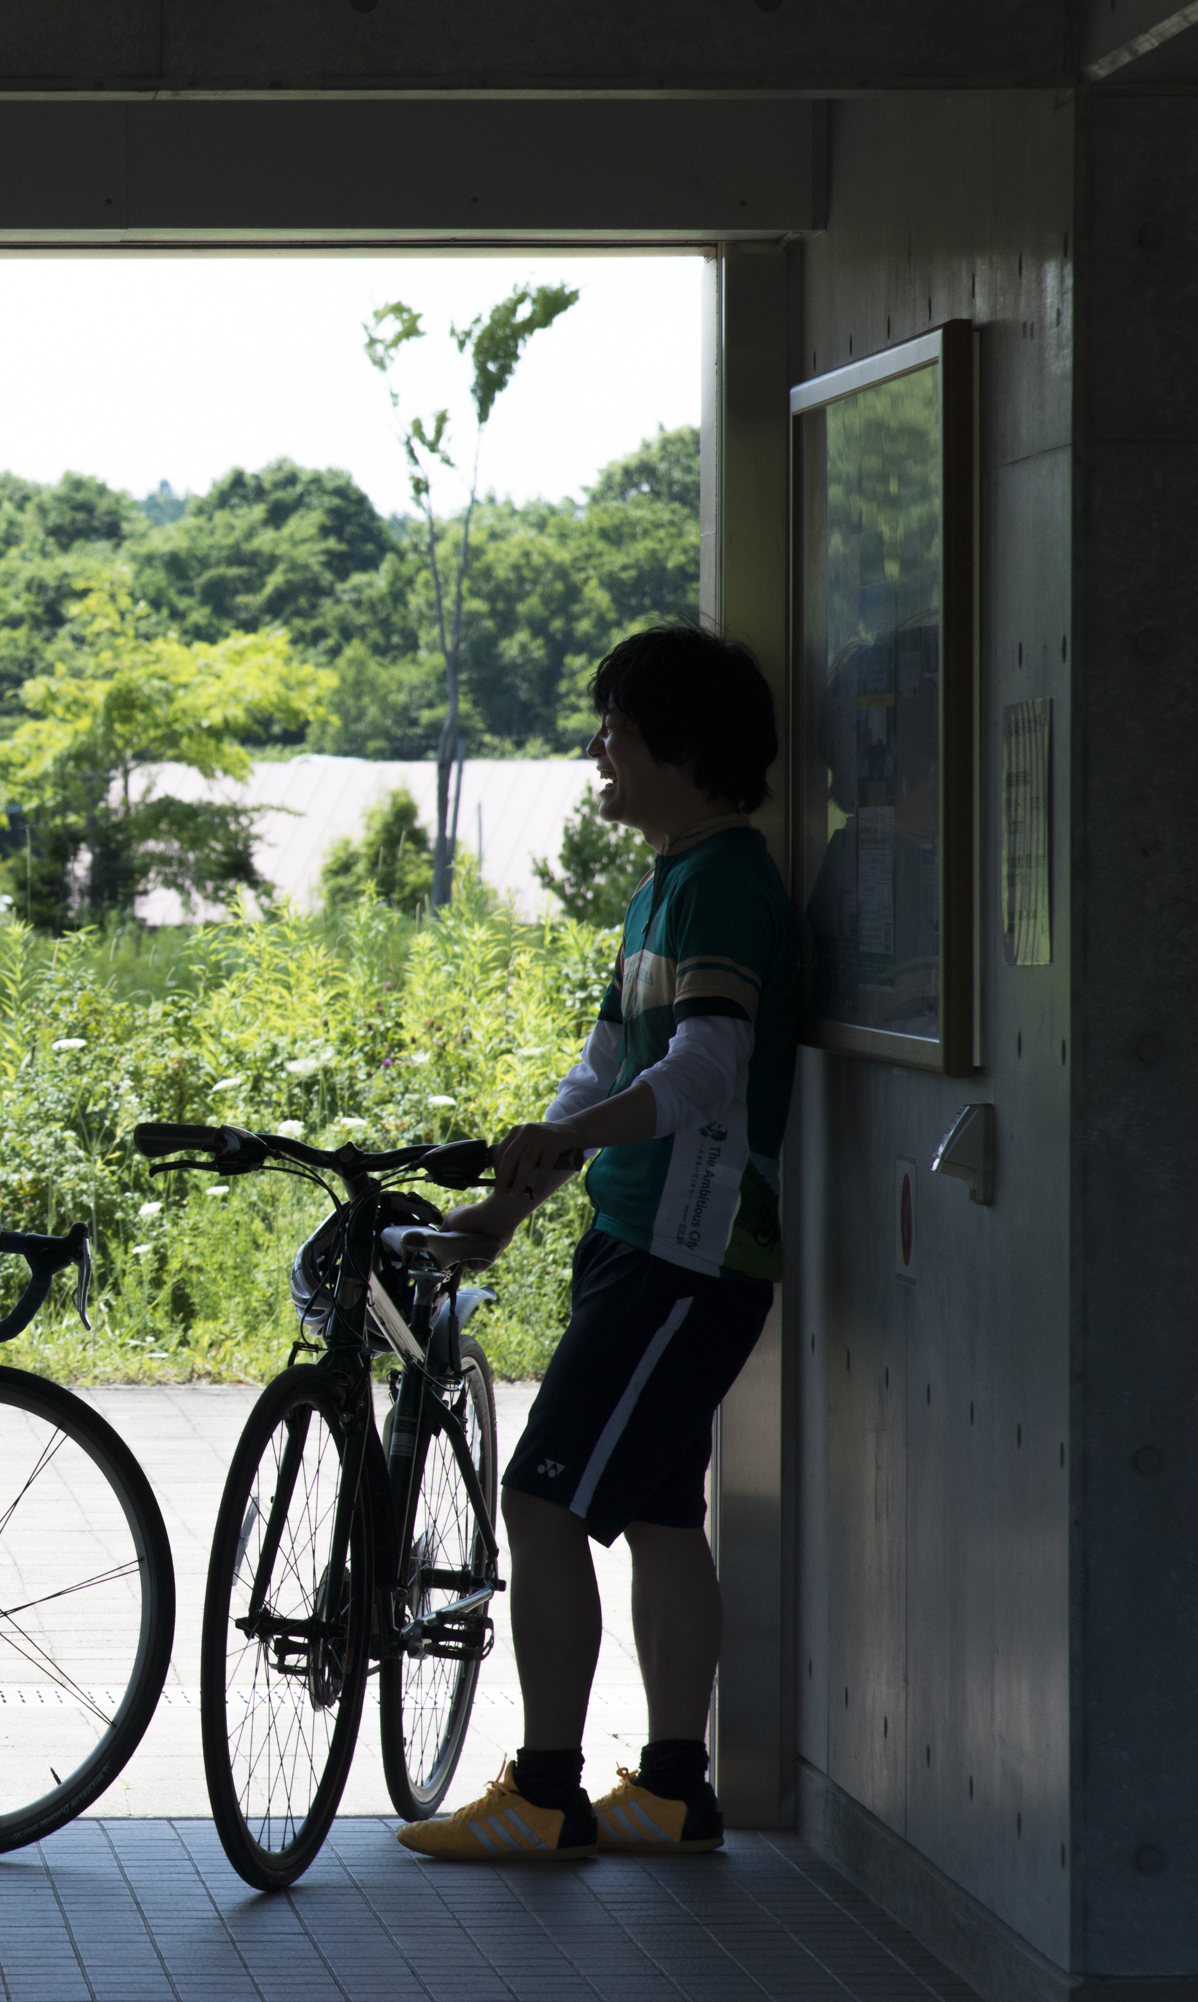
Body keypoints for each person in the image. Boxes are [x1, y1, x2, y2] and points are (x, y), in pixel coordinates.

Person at [398, 623, 795, 1861]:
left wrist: (561, 1147)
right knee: (667, 1515)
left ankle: (547, 1791)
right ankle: (674, 1789)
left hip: (685, 1254)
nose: (596, 750)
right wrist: (514, 1199)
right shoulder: (668, 879)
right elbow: (610, 1062)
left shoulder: (727, 882)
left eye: (615, 729)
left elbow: (706, 1065)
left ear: (682, 746)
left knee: (539, 1495)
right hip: (646, 1245)